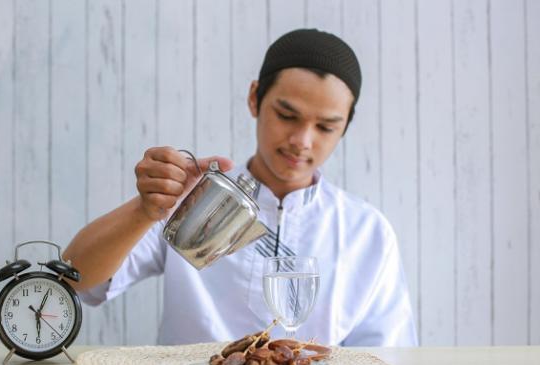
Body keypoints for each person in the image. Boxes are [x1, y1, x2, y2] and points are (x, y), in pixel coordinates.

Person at [63, 29, 418, 346]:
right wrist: (145, 211)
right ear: (254, 98)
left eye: (325, 127)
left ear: (344, 128)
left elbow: (389, 360)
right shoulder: (193, 199)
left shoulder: (367, 233)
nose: (301, 141)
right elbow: (77, 279)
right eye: (287, 115)